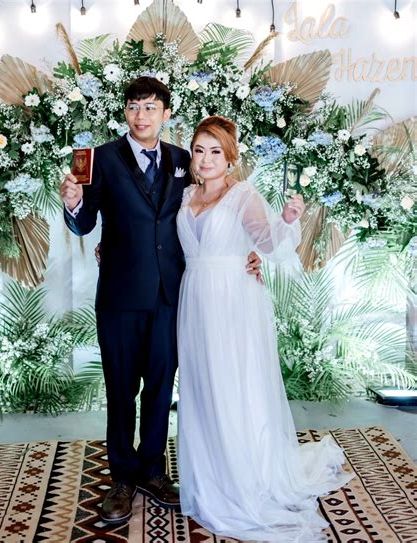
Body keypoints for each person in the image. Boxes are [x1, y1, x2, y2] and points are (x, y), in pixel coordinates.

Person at [60, 78, 262, 525]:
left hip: (172, 296)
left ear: (166, 114)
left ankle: (152, 470)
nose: (141, 115)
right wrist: (73, 204)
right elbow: (84, 224)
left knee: (159, 388)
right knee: (121, 390)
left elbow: (218, 203)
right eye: (134, 107)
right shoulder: (101, 159)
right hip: (119, 296)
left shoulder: (183, 159)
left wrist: (247, 252)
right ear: (125, 112)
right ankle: (121, 478)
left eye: (151, 107)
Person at [176, 116, 354, 542]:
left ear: (230, 157)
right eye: (199, 150)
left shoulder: (243, 195)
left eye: (215, 151)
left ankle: (244, 479)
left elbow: (269, 242)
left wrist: (288, 219)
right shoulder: (184, 195)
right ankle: (210, 475)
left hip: (233, 301)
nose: (206, 159)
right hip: (194, 298)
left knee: (235, 387)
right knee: (203, 387)